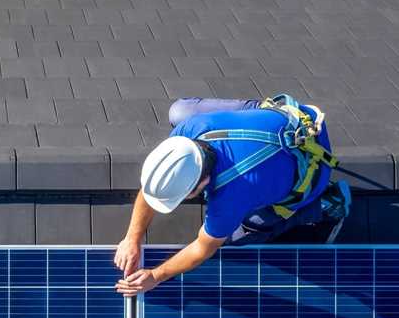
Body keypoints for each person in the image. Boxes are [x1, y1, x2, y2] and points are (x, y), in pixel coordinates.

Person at [114, 95, 352, 297]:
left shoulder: (231, 196)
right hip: (291, 117)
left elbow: (202, 248)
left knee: (242, 234)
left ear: (205, 182)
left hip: (312, 165)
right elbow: (153, 186)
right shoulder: (187, 132)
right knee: (179, 110)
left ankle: (326, 204)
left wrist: (157, 275)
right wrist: (131, 239)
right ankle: (258, 119)